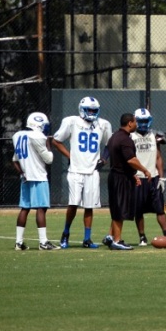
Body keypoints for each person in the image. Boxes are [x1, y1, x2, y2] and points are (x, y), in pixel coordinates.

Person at [51, 96, 112, 249]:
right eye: (89, 110)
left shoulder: (103, 124)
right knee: (73, 204)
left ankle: (87, 239)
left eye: (94, 110)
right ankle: (65, 233)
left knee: (89, 206)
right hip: (76, 170)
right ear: (82, 109)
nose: (92, 113)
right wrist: (69, 155)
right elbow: (56, 140)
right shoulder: (71, 121)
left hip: (92, 171)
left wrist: (104, 159)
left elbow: (109, 144)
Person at [130, 108, 166, 247]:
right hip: (138, 177)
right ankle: (142, 237)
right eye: (140, 121)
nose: (143, 123)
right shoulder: (130, 136)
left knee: (160, 209)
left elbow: (158, 157)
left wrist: (161, 177)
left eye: (145, 121)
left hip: (153, 178)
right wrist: (132, 174)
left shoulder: (154, 135)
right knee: (138, 210)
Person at [103, 113, 151, 250]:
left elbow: (120, 160)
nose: (136, 124)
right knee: (120, 209)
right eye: (135, 121)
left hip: (115, 176)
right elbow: (130, 159)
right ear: (130, 123)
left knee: (117, 207)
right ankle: (117, 241)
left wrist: (133, 175)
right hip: (120, 178)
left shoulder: (114, 136)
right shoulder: (125, 139)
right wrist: (144, 170)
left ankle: (110, 236)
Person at [12, 112, 60, 251]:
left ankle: (18, 242)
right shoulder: (38, 136)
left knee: (24, 209)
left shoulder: (19, 136)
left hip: (26, 177)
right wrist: (48, 144)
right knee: (41, 209)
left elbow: (14, 161)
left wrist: (23, 173)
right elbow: (49, 159)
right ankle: (43, 242)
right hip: (38, 177)